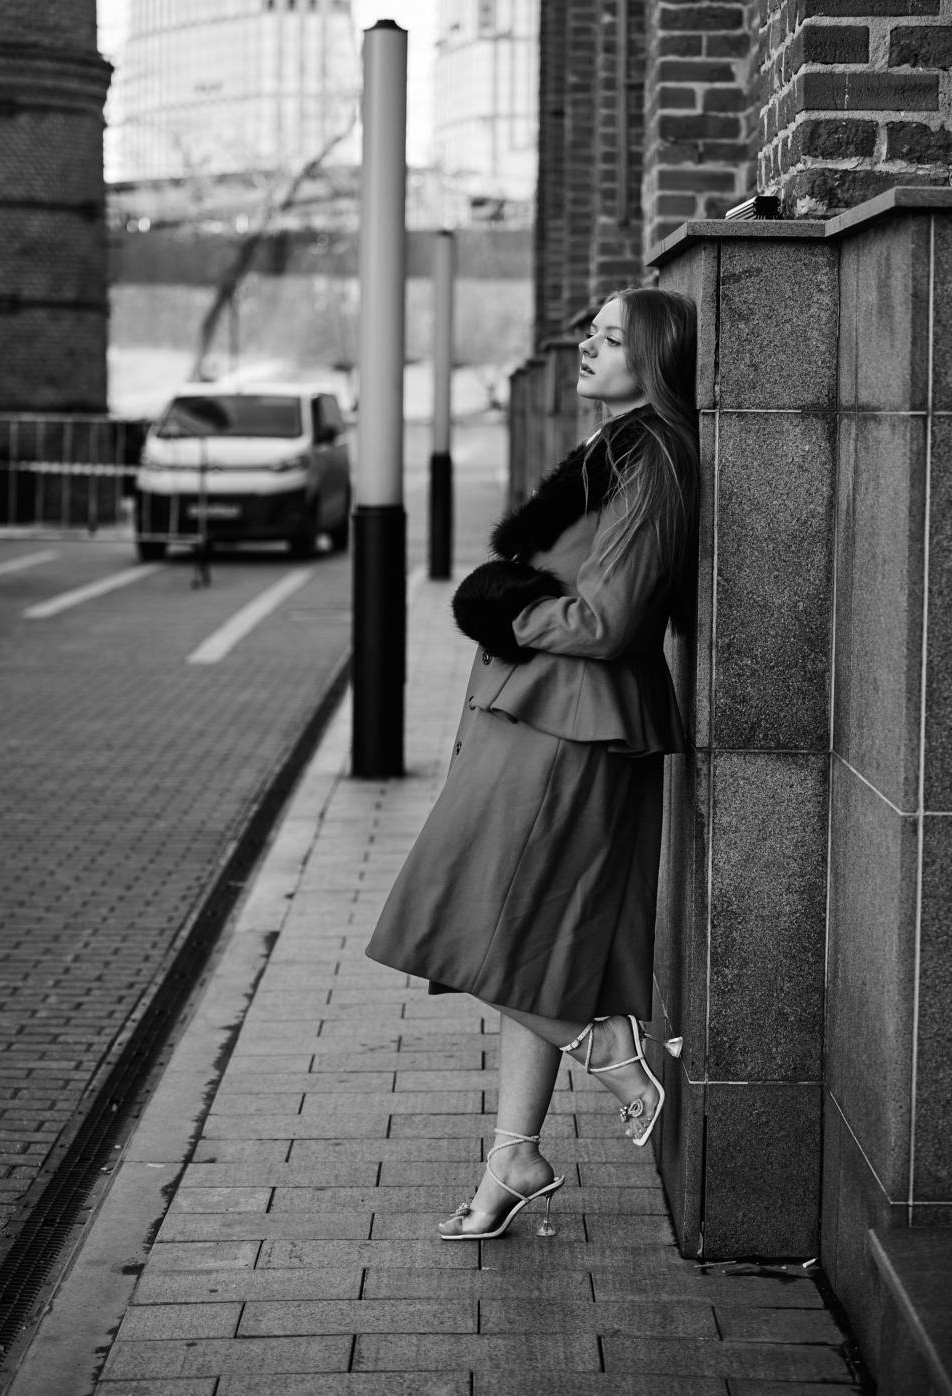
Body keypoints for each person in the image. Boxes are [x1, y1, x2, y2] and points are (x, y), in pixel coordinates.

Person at [366, 287, 699, 1241]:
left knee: (460, 914)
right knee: (531, 935)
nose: (586, 346)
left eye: (610, 337)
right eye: (588, 331)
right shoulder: (614, 448)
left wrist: (503, 606)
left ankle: (603, 1045)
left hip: (569, 725)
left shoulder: (651, 458)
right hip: (546, 716)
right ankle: (512, 1158)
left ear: (655, 357)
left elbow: (609, 620)